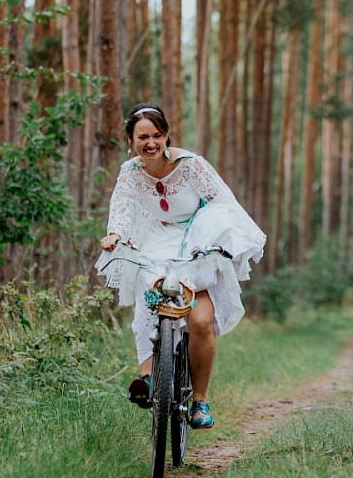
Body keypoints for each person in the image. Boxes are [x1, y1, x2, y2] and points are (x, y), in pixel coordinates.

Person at [96, 103, 266, 429]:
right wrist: (114, 233)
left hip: (197, 238)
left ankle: (200, 400)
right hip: (156, 241)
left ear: (166, 135)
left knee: (201, 322)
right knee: (150, 297)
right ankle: (146, 379)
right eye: (143, 137)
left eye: (157, 135)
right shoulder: (130, 172)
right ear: (130, 139)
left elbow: (221, 201)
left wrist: (218, 238)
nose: (151, 143)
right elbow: (123, 206)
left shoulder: (190, 165)